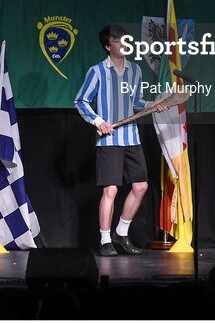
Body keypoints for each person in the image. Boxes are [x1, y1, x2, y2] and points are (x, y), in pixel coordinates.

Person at [74, 24, 149, 257]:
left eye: (125, 39)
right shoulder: (97, 72)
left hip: (131, 136)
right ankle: (105, 240)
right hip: (109, 139)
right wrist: (99, 122)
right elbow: (81, 101)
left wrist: (153, 105)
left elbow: (137, 102)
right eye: (117, 40)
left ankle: (121, 233)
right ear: (108, 46)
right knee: (111, 190)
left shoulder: (136, 70)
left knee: (141, 186)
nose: (123, 43)